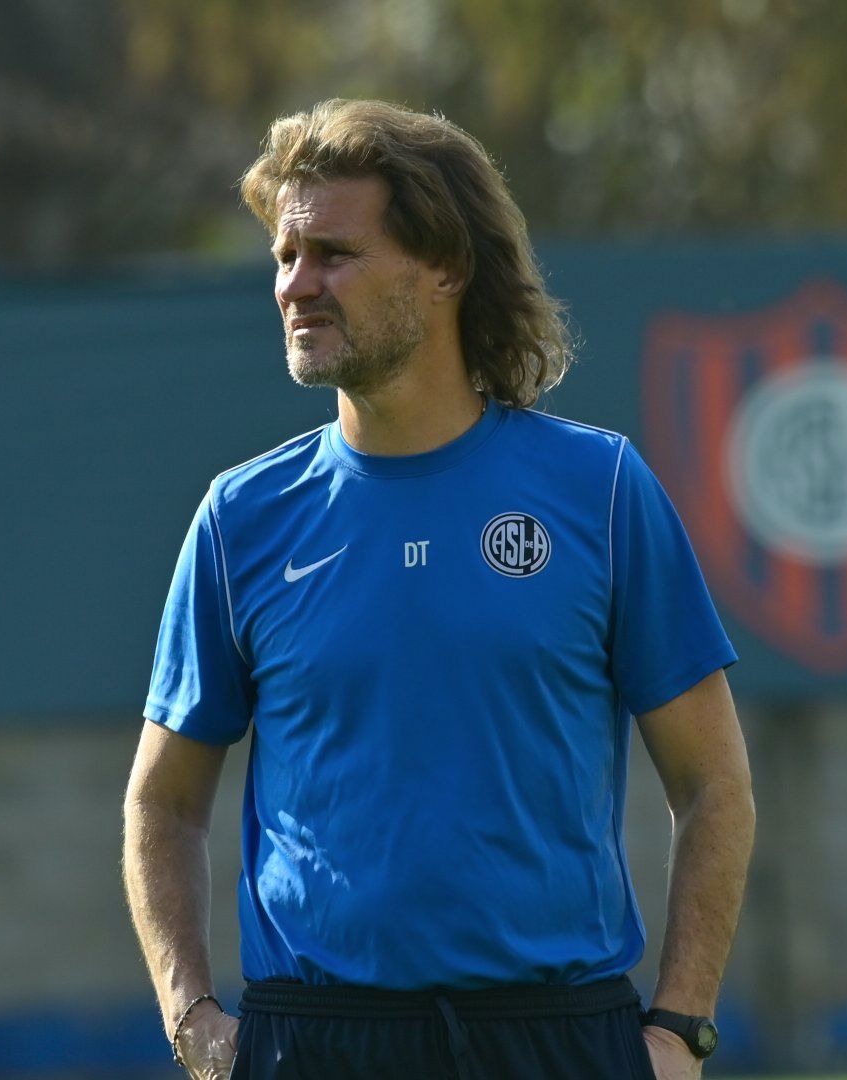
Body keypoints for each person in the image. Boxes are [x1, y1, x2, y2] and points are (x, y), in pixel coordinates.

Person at [121, 99, 755, 1080]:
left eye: (333, 253)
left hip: (557, 1039)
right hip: (317, 1041)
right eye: (285, 257)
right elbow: (162, 803)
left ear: (446, 267)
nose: (296, 284)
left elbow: (713, 783)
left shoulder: (603, 492)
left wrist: (679, 1028)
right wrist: (191, 1015)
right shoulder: (239, 519)